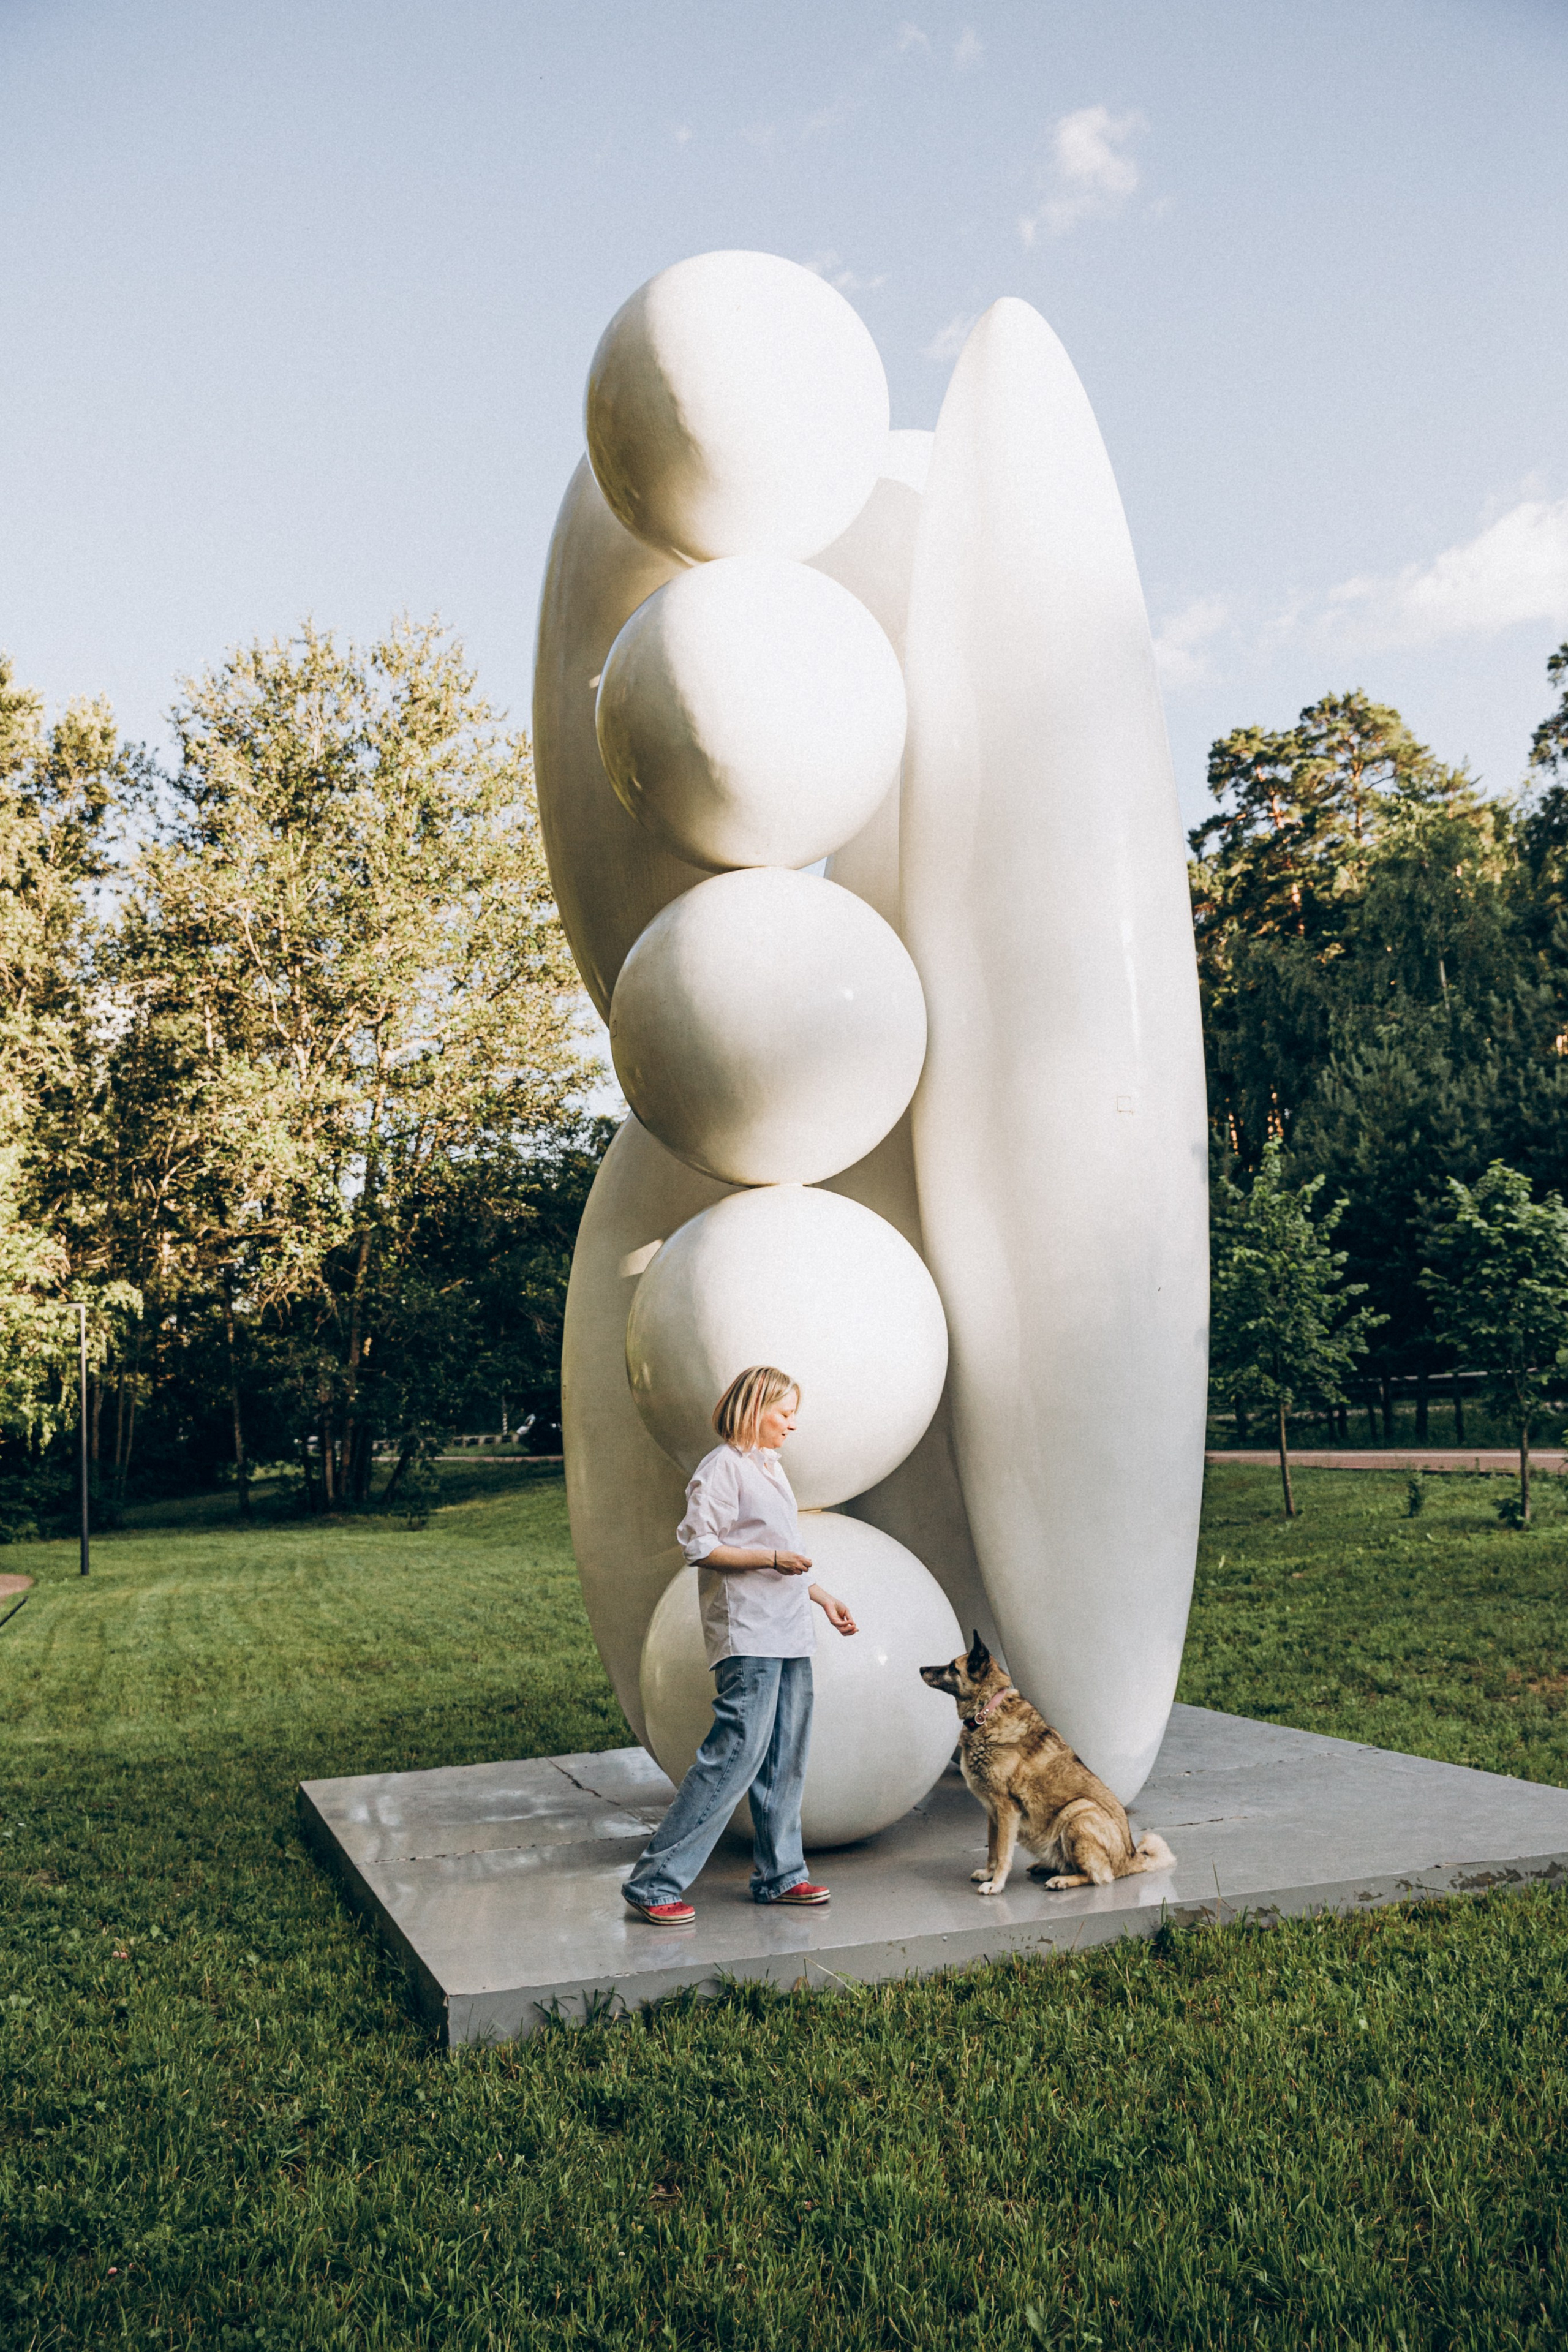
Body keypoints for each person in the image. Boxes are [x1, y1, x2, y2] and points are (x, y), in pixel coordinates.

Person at [621, 1363, 858, 1925]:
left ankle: (781, 1877)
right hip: (749, 1634)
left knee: (785, 1757)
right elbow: (701, 1546)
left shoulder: (769, 1467)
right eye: (784, 1413)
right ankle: (654, 1883)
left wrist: (821, 1597)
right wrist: (774, 1560)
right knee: (734, 1757)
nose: (792, 1426)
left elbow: (779, 1551)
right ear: (755, 1409)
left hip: (788, 1629)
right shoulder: (722, 1468)